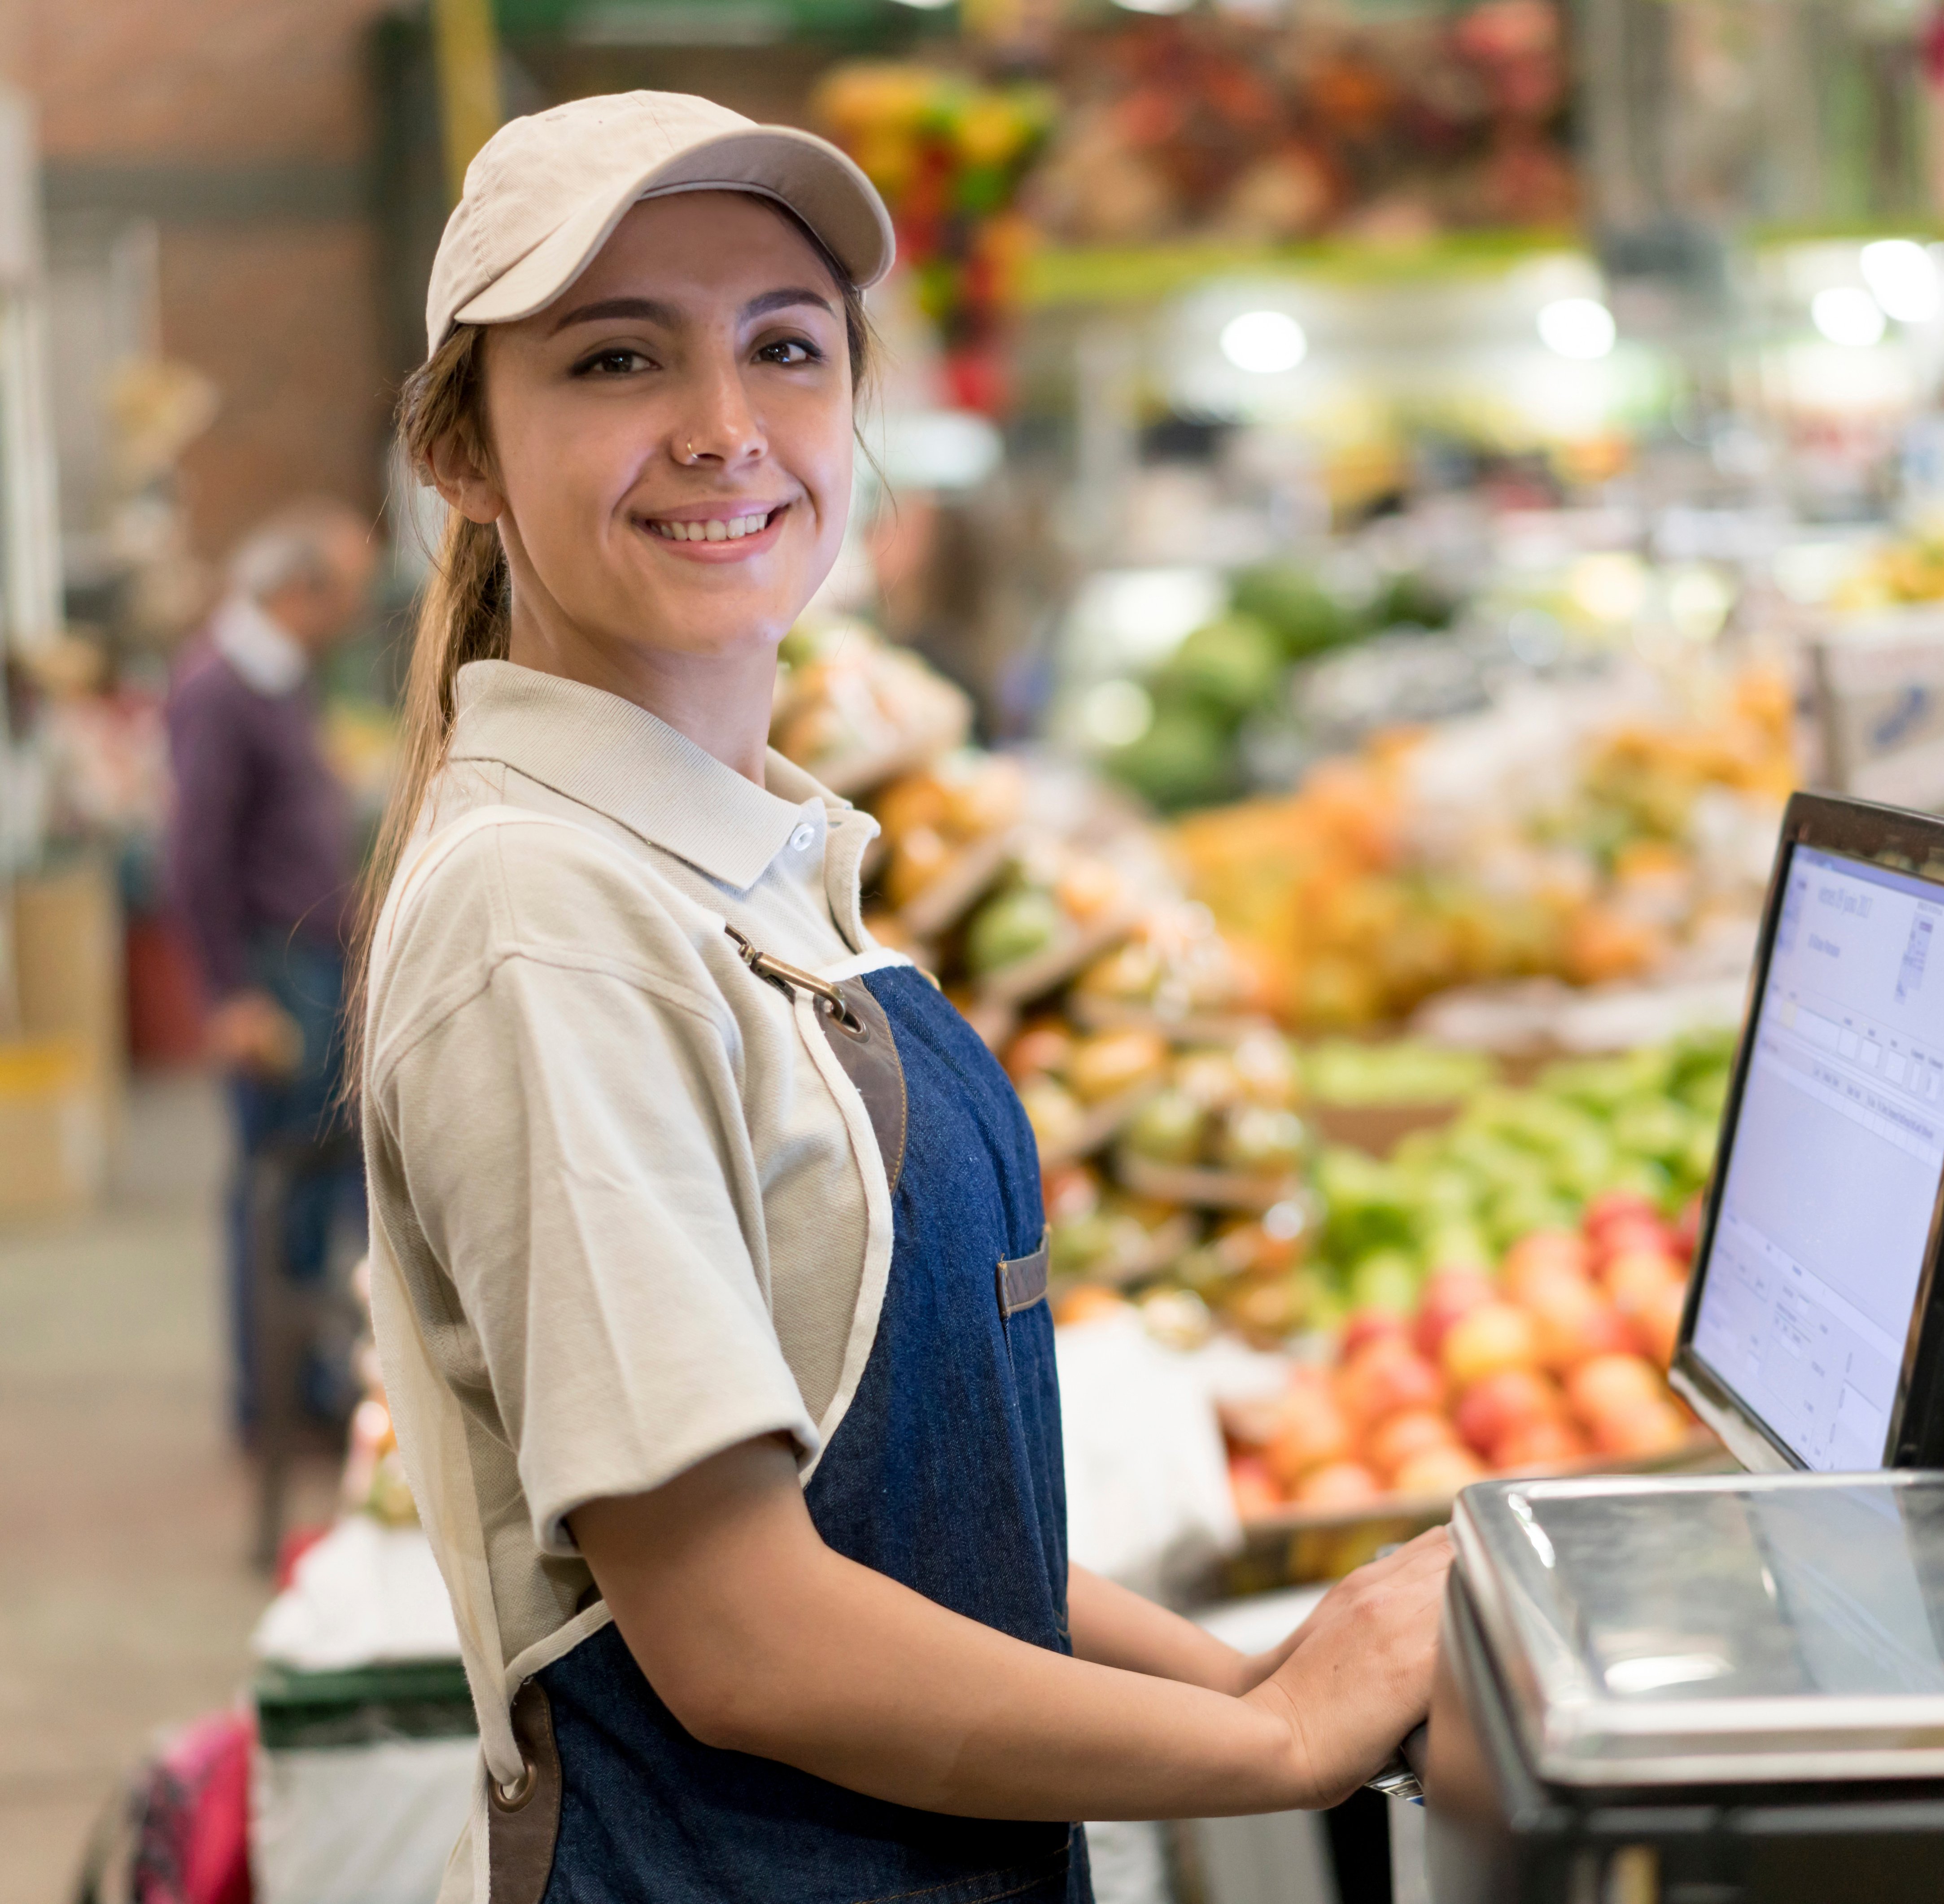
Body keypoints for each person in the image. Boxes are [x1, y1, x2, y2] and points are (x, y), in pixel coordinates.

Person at [354, 92, 1449, 1904]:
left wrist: (1260, 1668)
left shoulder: (740, 859)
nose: (724, 431)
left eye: (785, 348)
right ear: (462, 453)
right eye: (617, 358)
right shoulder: (547, 916)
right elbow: (746, 1633)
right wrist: (1272, 1747)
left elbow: (889, 1534)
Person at [166, 496, 377, 1431]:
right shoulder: (223, 686)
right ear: (298, 591)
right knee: (279, 1178)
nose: (346, 621)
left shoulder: (273, 678)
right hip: (272, 968)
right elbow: (195, 849)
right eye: (339, 599)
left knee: (314, 1178)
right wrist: (229, 991)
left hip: (307, 956)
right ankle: (279, 1401)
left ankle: (311, 1383)